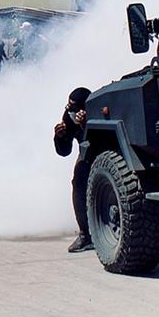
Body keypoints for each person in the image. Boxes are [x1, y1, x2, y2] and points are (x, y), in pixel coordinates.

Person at [53, 87, 92, 253]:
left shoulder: (95, 112)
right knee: (78, 182)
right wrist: (60, 137)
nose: (70, 110)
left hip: (106, 153)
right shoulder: (69, 116)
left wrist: (86, 126)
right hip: (86, 154)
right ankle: (85, 234)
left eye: (74, 107)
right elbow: (64, 151)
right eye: (68, 106)